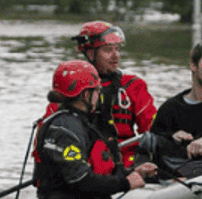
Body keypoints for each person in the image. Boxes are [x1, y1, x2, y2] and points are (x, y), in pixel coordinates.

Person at [26, 60, 158, 199]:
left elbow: (100, 170)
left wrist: (133, 172)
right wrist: (125, 183)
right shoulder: (64, 128)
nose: (99, 95)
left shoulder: (84, 124)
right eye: (96, 90)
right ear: (86, 95)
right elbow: (79, 179)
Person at [60, 21, 155, 164]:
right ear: (91, 53)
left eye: (117, 49)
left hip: (126, 164)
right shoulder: (70, 86)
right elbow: (53, 130)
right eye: (108, 50)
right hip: (84, 164)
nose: (116, 56)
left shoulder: (134, 85)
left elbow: (153, 130)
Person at [146, 37, 202, 174]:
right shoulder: (169, 108)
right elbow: (153, 149)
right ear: (193, 65)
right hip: (173, 181)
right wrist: (172, 138)